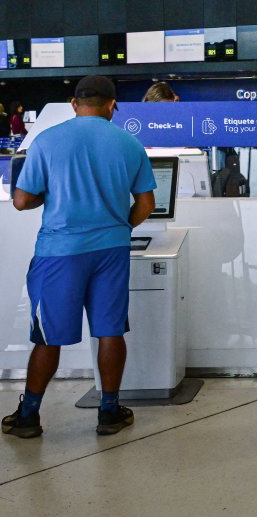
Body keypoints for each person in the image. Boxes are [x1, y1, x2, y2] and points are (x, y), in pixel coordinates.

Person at [3, 76, 156, 439]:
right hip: (111, 251)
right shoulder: (129, 144)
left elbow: (22, 201)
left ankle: (29, 415)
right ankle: (109, 411)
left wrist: (47, 196)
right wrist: (120, 227)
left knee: (48, 337)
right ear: (112, 105)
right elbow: (146, 204)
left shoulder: (47, 141)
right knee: (109, 330)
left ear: (74, 103)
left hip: (59, 253)